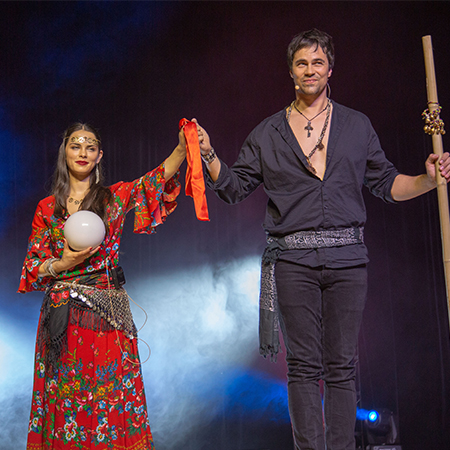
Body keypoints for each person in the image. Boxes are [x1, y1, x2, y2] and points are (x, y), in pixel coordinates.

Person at [193, 29, 450, 450]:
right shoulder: (268, 132)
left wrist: (428, 179)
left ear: (330, 69)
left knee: (342, 367)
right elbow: (235, 186)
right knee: (303, 366)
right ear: (291, 72)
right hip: (293, 262)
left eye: (317, 62)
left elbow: (387, 184)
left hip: (348, 259)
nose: (309, 70)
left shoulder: (356, 124)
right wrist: (207, 155)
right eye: (301, 63)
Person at [18, 122, 186, 449]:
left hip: (107, 312)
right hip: (62, 319)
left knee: (113, 396)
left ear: (99, 156)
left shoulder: (113, 198)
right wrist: (62, 264)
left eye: (90, 147)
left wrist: (181, 148)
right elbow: (33, 267)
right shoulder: (47, 208)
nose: (82, 152)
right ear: (64, 152)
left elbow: (154, 181)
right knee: (66, 398)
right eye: (75, 145)